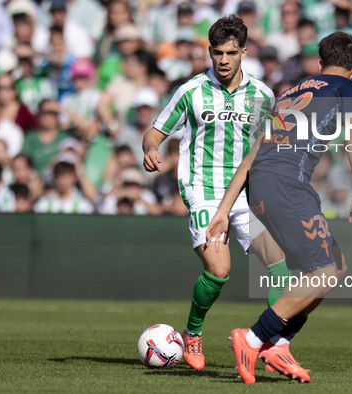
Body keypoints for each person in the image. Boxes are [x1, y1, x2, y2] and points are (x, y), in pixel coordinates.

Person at [205, 31, 352, 384]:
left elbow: (251, 158)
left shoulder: (288, 94)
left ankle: (278, 344)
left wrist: (223, 209)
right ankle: (252, 338)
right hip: (288, 184)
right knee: (324, 272)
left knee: (335, 267)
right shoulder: (350, 89)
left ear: (320, 64)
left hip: (260, 186)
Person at [142, 15, 290, 372]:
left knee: (283, 269)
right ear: (209, 52)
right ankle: (192, 333)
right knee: (220, 269)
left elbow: (269, 149)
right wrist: (149, 149)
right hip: (203, 191)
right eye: (217, 53)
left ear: (244, 52)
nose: (223, 60)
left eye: (231, 53)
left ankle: (271, 345)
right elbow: (155, 131)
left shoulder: (262, 95)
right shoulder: (191, 91)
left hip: (245, 194)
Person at [21, 99, 71, 176]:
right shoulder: (31, 137)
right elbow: (23, 163)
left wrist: (62, 109)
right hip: (37, 183)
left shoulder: (66, 135)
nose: (49, 117)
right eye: (45, 113)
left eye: (52, 113)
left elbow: (87, 129)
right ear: (39, 115)